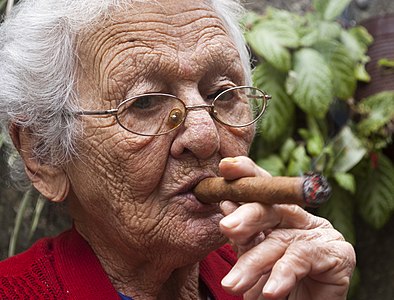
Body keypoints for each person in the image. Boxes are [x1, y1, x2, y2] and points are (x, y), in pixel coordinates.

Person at [0, 0, 356, 299]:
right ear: (43, 153)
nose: (205, 138)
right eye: (145, 103)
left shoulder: (267, 279)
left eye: (222, 93)